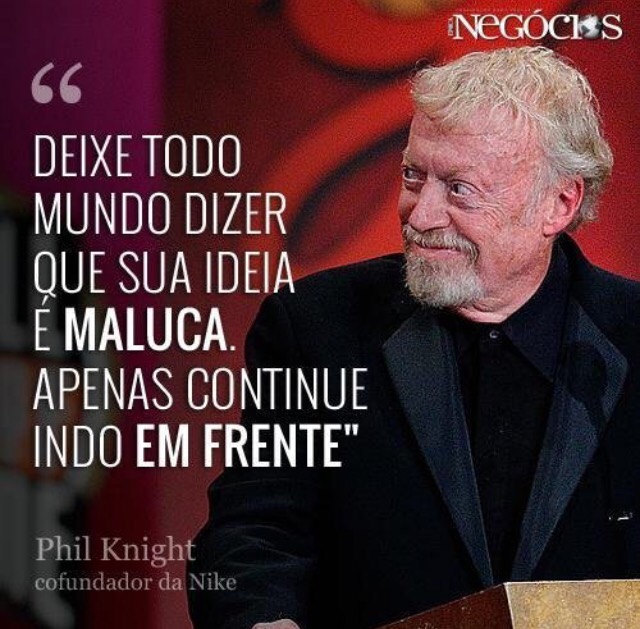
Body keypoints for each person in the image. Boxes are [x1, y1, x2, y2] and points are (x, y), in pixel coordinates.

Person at [188, 47, 640, 629]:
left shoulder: (631, 336)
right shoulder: (316, 326)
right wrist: (262, 619)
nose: (420, 215)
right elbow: (255, 531)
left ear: (558, 203)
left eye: (459, 189)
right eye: (413, 176)